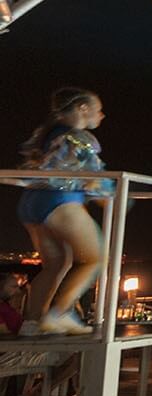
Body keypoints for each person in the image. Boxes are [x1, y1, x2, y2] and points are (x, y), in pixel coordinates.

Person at [16, 87, 109, 337]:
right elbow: (95, 177)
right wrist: (115, 197)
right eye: (99, 110)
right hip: (61, 201)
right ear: (83, 109)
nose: (102, 115)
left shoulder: (45, 135)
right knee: (95, 259)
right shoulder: (79, 138)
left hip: (31, 203)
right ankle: (61, 312)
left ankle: (32, 323)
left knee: (56, 264)